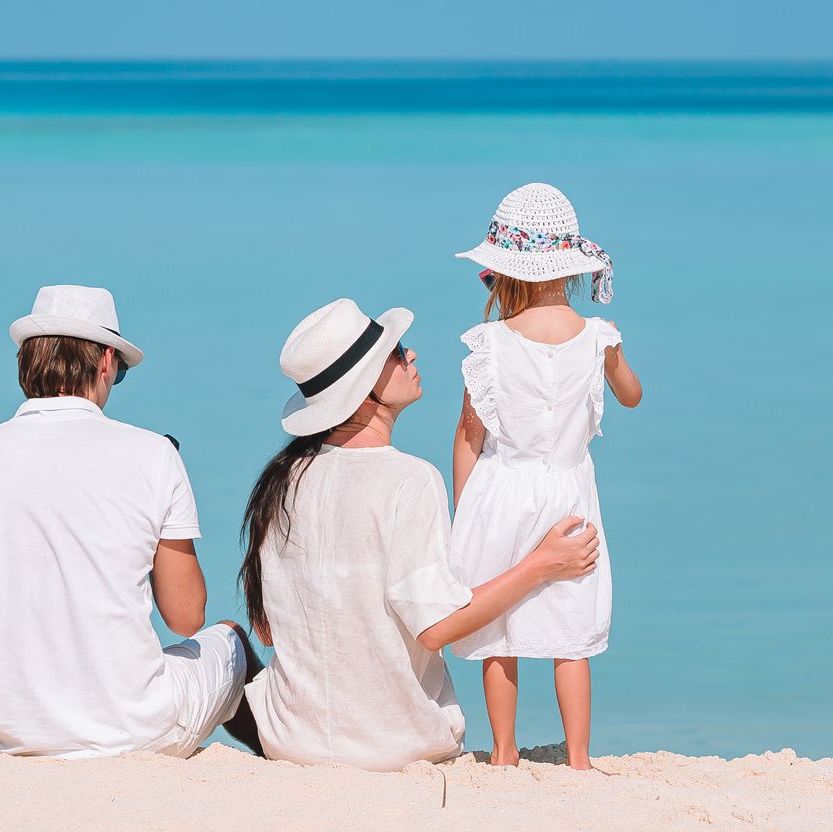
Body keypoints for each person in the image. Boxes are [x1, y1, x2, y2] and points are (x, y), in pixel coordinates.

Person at [239, 298, 599, 772]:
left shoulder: (281, 481)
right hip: (391, 744)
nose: (412, 356)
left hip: (291, 739)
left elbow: (268, 624)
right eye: (397, 352)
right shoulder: (408, 479)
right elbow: (438, 628)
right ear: (366, 389)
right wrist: (542, 564)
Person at [0, 285, 260, 759]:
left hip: (12, 734)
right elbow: (186, 618)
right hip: (131, 729)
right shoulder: (153, 455)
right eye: (120, 371)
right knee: (229, 639)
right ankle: (280, 754)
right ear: (105, 361)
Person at [448, 183, 643, 770]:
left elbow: (469, 435)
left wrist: (466, 509)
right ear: (572, 266)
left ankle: (504, 753)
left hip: (502, 489)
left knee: (498, 637)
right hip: (569, 493)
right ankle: (579, 759)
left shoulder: (488, 344)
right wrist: (614, 357)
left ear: (504, 270)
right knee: (572, 633)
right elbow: (632, 397)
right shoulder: (599, 338)